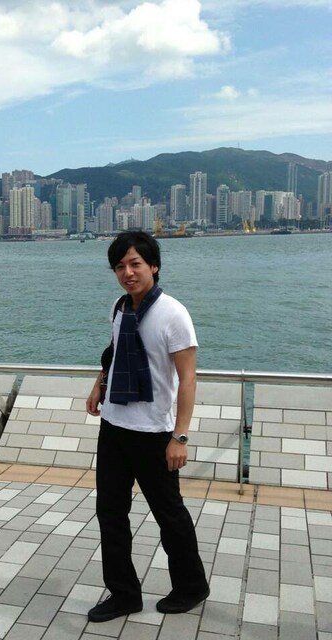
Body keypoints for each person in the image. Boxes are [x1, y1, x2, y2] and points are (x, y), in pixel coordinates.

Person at [86, 231, 209, 622]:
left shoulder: (173, 313)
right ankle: (124, 594)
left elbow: (187, 379)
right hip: (114, 426)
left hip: (155, 433)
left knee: (168, 514)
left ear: (153, 266)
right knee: (110, 512)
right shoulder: (119, 307)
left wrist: (180, 436)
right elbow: (114, 351)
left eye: (135, 264)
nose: (128, 272)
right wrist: (98, 384)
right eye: (120, 266)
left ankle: (191, 586)